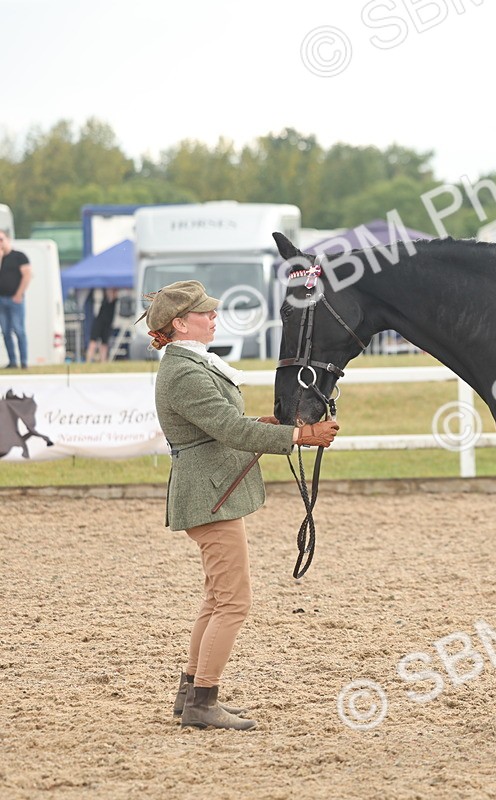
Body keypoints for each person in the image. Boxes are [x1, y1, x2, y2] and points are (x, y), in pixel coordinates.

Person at [142, 280, 340, 731]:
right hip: (209, 494)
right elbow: (230, 432)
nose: (213, 318)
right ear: (179, 323)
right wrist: (299, 435)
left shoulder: (190, 366)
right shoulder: (186, 373)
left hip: (212, 490)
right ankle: (202, 701)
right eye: (205, 314)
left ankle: (191, 692)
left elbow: (222, 424)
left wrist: (267, 423)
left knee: (216, 598)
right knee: (234, 603)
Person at [0, 230, 31, 369]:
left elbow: (27, 275)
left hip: (15, 299)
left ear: (8, 239)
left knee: (19, 330)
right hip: (1, 299)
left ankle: (24, 361)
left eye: (1, 239)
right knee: (6, 331)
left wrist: (19, 294)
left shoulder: (19, 256)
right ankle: (12, 362)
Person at [86, 287, 119, 363]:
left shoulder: (115, 299)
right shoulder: (103, 298)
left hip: (108, 323)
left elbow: (113, 296)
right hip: (99, 322)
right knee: (93, 342)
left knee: (104, 343)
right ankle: (88, 360)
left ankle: (103, 361)